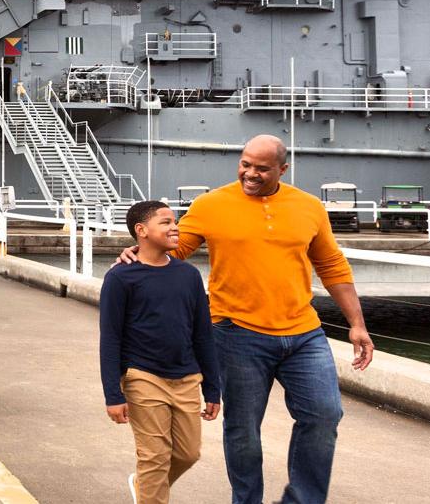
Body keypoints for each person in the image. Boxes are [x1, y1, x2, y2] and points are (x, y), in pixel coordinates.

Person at [121, 135, 374, 504]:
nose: (250, 173)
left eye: (261, 168)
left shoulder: (308, 207)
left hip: (304, 332)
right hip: (236, 332)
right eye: (245, 164)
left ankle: (302, 500)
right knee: (243, 430)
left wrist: (357, 323)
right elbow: (174, 249)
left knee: (324, 414)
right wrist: (134, 253)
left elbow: (331, 264)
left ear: (282, 170)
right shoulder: (211, 205)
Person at [100, 199, 220, 503]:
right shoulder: (120, 277)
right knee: (154, 457)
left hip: (186, 377)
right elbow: (110, 338)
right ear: (142, 230)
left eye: (174, 221)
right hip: (143, 377)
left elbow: (203, 334)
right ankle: (151, 492)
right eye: (165, 222)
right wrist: (113, 394)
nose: (175, 226)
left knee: (188, 453)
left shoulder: (188, 275)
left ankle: (145, 487)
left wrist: (213, 389)